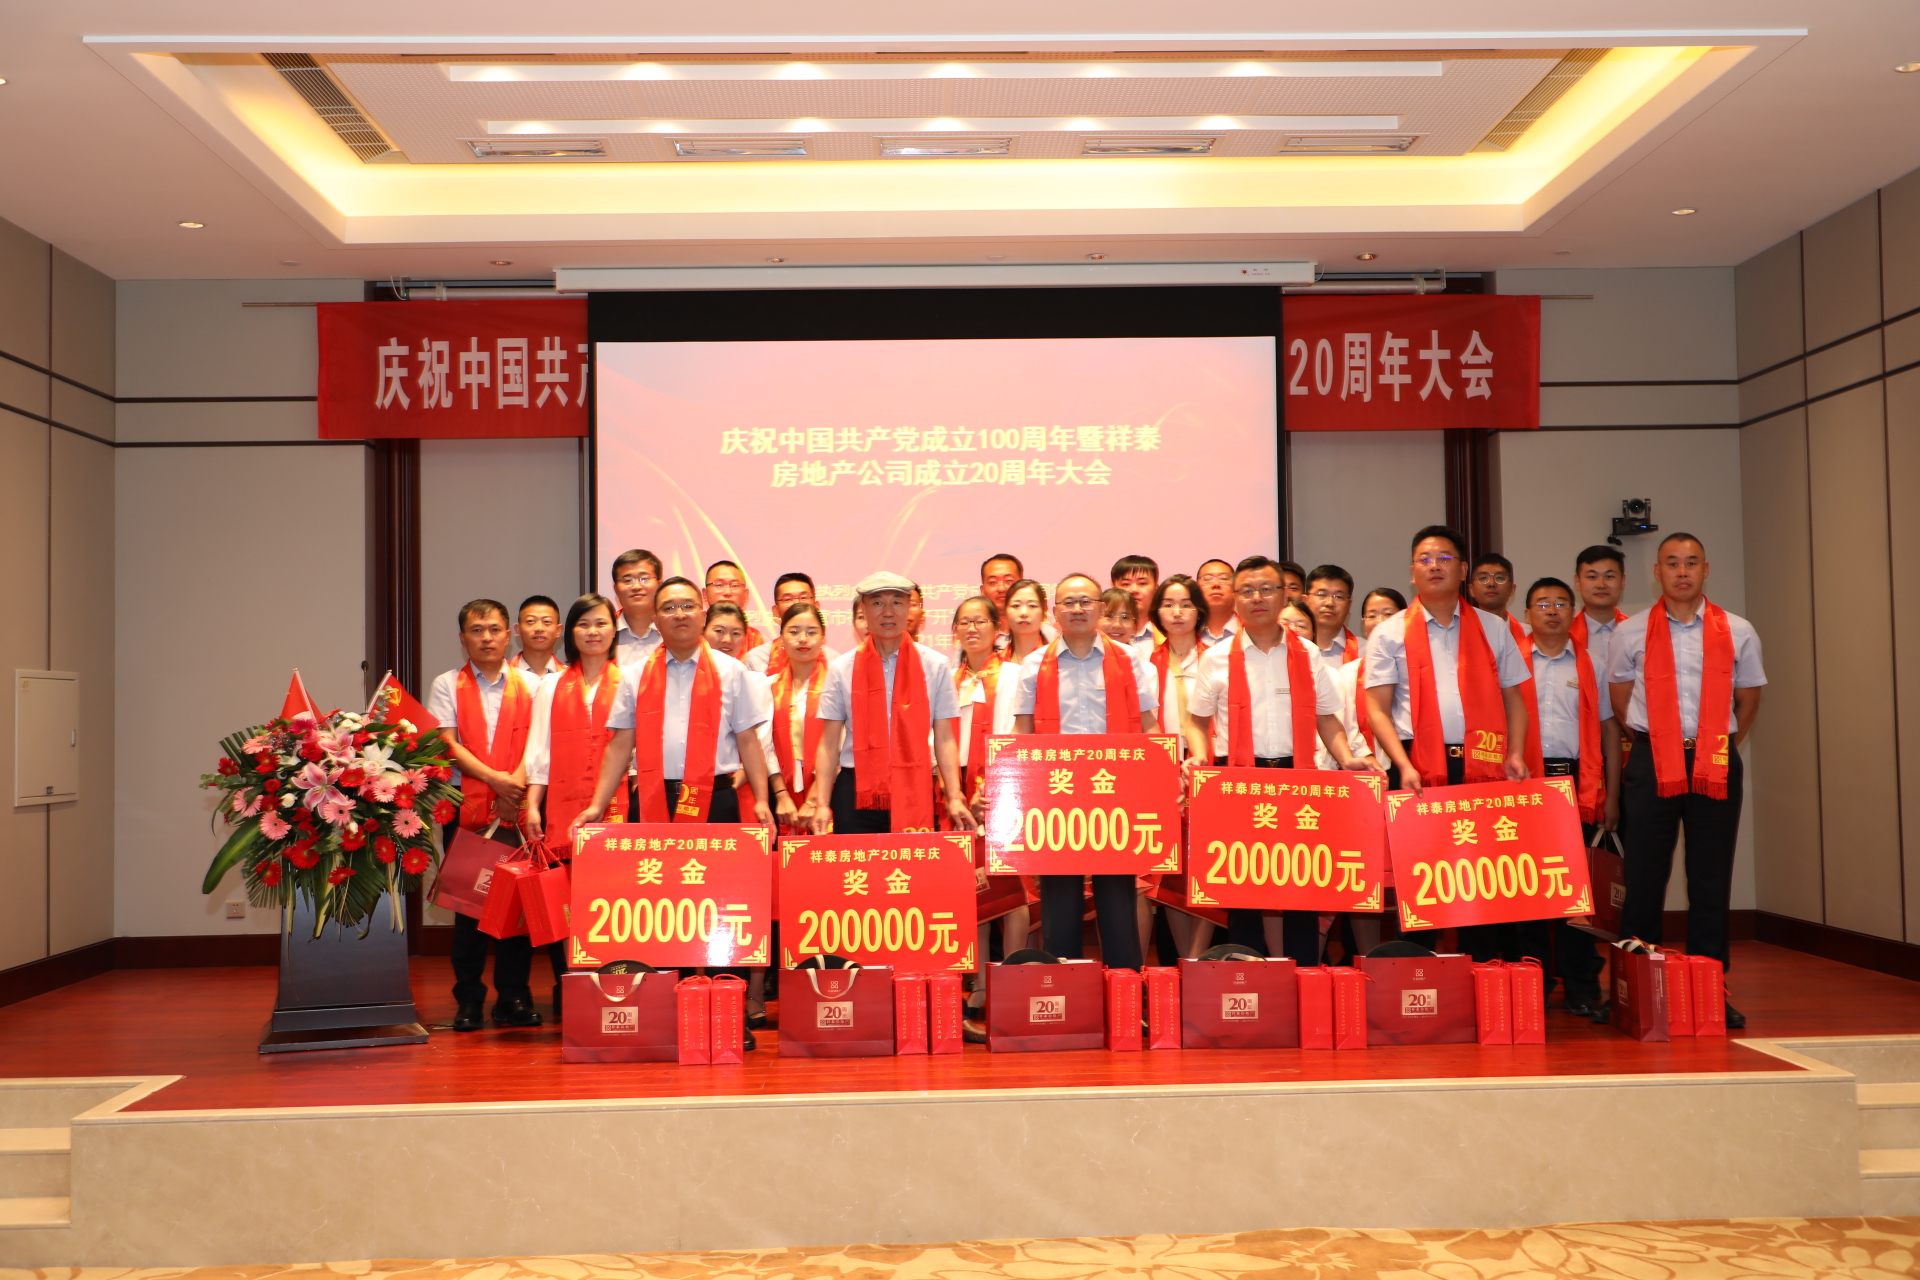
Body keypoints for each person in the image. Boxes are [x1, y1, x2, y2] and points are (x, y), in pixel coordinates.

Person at [1187, 558, 1378, 967]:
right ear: (1235, 599)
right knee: (1242, 887)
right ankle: (1250, 975)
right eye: (1247, 591)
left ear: (1283, 595)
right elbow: (1197, 722)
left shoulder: (1307, 653)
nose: (1257, 598)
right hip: (1239, 779)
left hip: (1297, 778)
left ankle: (1303, 974)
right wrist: (1199, 755)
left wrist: (1348, 758)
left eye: (1266, 589)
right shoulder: (1215, 658)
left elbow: (1327, 717)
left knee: (1300, 886)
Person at [1608, 533, 1764, 1026]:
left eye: (1691, 563)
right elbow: (1620, 697)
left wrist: (1714, 749)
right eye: (1672, 563)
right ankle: (1637, 989)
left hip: (1714, 760)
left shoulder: (1738, 630)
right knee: (1643, 876)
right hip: (1652, 759)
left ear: (1706, 569)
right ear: (1657, 572)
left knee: (1711, 878)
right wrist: (1660, 743)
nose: (1682, 571)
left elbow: (1749, 699)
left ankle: (1709, 990)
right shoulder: (1630, 631)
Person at [1364, 527, 1531, 954]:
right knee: (1419, 882)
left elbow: (1514, 698)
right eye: (1425, 559)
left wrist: (1514, 752)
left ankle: (1483, 974)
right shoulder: (1389, 632)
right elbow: (1377, 708)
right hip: (1416, 767)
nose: (1434, 566)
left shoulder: (1493, 628)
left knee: (1480, 880)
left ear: (1463, 570)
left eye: (1444, 558)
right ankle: (1416, 974)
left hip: (1481, 768)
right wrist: (1402, 764)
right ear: (1412, 573)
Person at [1014, 574, 1160, 970]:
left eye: (1085, 601)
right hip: (1056, 794)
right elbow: (1022, 731)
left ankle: (1125, 988)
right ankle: (1065, 990)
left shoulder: (1130, 660)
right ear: (1054, 612)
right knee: (1059, 901)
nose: (1077, 609)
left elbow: (1149, 726)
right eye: (1068, 602)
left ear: (1100, 608)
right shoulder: (1033, 665)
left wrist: (1161, 777)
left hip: (1115, 791)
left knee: (1117, 899)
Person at [572, 577, 776, 835]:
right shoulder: (635, 675)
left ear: (703, 616)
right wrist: (598, 805)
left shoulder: (732, 671)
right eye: (669, 608)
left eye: (688, 606)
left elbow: (748, 740)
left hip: (716, 800)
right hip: (652, 798)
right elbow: (620, 745)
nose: (679, 614)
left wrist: (761, 800)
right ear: (656, 621)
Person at [425, 599, 543, 1032]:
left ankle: (513, 996)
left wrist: (515, 785)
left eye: (494, 629)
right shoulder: (446, 684)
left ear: (508, 635)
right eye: (477, 631)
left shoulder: (532, 684)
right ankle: (469, 999)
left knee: (518, 903)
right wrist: (497, 781)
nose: (487, 638)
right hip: (466, 804)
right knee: (468, 904)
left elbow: (539, 743)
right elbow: (447, 744)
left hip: (521, 802)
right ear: (463, 639)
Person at [801, 572, 974, 835]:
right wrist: (822, 804)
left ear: (910, 609)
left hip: (915, 786)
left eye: (897, 602)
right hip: (856, 790)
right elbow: (828, 743)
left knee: (912, 862)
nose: (888, 612)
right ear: (864, 610)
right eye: (878, 603)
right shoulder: (842, 668)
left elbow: (944, 738)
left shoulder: (935, 665)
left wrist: (953, 796)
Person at [1518, 577, 1621, 1016]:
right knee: (1527, 889)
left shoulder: (1591, 663)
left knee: (1576, 892)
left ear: (1572, 612)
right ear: (1527, 614)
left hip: (1575, 785)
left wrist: (1611, 794)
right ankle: (1532, 984)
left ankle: (1582, 986)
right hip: (1522, 786)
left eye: (1561, 603)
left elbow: (1609, 729)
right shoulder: (1510, 661)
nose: (1552, 610)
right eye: (1542, 603)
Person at [520, 593, 621, 1018]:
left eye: (601, 623)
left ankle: (620, 987)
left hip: (621, 807)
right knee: (573, 901)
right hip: (564, 810)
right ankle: (578, 990)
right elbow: (539, 752)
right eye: (584, 624)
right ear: (572, 633)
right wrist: (532, 805)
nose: (593, 632)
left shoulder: (630, 681)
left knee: (618, 898)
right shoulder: (551, 686)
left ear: (613, 630)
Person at [951, 596, 1033, 968]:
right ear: (954, 631)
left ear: (997, 629)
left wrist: (993, 786)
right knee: (973, 891)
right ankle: (983, 985)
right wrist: (955, 793)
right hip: (958, 793)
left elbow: (1022, 732)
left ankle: (1011, 978)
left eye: (980, 621)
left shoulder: (1016, 674)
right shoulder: (948, 680)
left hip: (1005, 790)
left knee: (1013, 889)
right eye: (964, 622)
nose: (972, 629)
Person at [1143, 574, 1213, 957]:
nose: (1177, 612)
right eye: (1169, 604)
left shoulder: (1218, 659)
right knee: (1170, 869)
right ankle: (1185, 962)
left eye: (1186, 604)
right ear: (1157, 612)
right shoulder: (1144, 663)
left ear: (1199, 611)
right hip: (1163, 773)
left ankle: (1198, 960)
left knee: (1206, 865)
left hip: (1211, 769)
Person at [767, 601, 830, 834]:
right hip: (781, 796)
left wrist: (814, 800)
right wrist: (781, 795)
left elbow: (838, 746)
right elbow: (764, 747)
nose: (803, 639)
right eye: (794, 632)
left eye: (811, 632)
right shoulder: (767, 687)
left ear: (823, 638)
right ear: (781, 638)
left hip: (829, 792)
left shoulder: (836, 686)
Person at [744, 573, 841, 675]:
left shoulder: (834, 661)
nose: (797, 604)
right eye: (788, 599)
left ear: (816, 606)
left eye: (803, 597)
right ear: (775, 611)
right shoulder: (758, 659)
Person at [610, 549, 665, 670]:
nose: (636, 586)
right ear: (616, 589)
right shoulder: (604, 631)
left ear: (659, 585)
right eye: (627, 580)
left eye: (644, 578)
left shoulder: (675, 628)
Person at [1572, 545, 1630, 655]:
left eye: (1609, 577)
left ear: (1622, 581)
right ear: (1577, 582)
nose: (1601, 585)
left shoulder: (1638, 631)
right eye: (1592, 577)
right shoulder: (1563, 634)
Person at [703, 560, 766, 652]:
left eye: (735, 585)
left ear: (745, 595)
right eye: (719, 585)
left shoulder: (754, 638)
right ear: (705, 594)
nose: (727, 592)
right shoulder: (691, 635)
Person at [1469, 552, 1528, 646]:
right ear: (1471, 590)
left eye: (1500, 578)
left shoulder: (1528, 635)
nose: (1491, 584)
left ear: (1512, 589)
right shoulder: (1459, 632)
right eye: (1483, 578)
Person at [1110, 555, 1160, 656]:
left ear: (1156, 587)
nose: (1134, 590)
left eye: (1142, 583)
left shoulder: (1168, 634)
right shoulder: (1101, 634)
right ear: (1114, 588)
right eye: (1126, 584)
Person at [511, 595, 565, 677]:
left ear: (558, 630)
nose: (539, 628)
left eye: (547, 621)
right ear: (518, 629)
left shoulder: (571, 679)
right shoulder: (503, 676)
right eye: (531, 621)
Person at [1003, 579, 1051, 664]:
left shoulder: (1056, 660)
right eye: (1016, 605)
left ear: (1044, 610)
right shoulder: (993, 663)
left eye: (1032, 606)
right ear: (1005, 611)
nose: (1024, 613)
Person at [1196, 559, 1239, 646]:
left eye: (1224, 578)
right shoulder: (1184, 633)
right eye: (1208, 579)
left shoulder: (1252, 631)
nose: (1216, 584)